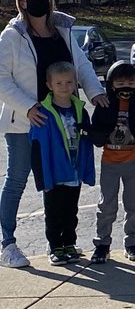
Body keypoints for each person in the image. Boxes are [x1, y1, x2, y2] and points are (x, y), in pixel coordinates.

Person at [0, 0, 106, 269]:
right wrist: (29, 107)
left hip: (62, 120)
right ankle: (7, 243)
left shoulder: (63, 30)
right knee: (17, 178)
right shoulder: (11, 36)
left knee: (61, 183)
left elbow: (80, 64)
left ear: (51, 0)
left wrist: (95, 92)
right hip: (26, 121)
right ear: (21, 1)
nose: (38, 0)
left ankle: (62, 242)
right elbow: (2, 79)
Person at [86, 61, 135, 264]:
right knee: (107, 205)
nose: (125, 86)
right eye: (120, 82)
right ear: (111, 84)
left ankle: (132, 243)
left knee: (134, 205)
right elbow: (96, 132)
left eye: (130, 81)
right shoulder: (104, 107)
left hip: (133, 162)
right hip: (110, 162)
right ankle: (102, 244)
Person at [29, 62, 94, 265]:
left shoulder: (80, 110)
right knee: (54, 213)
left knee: (70, 212)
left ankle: (69, 244)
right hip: (54, 175)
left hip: (73, 173)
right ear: (49, 85)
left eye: (69, 82)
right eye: (59, 83)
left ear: (75, 83)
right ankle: (55, 247)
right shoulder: (43, 113)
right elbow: (37, 149)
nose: (64, 87)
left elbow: (87, 142)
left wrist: (86, 170)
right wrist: (43, 179)